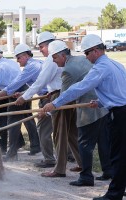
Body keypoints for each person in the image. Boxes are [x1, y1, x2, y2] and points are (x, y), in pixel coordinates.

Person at [42, 34, 126, 200]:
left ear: (96, 50)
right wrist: (101, 101)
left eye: (87, 53)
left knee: (118, 155)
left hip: (119, 114)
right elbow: (117, 91)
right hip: (119, 110)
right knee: (121, 154)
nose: (86, 57)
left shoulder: (101, 68)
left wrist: (55, 103)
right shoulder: (116, 65)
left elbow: (79, 88)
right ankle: (120, 187)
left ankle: (114, 194)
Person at [47, 40, 112, 186]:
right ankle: (108, 172)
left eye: (55, 57)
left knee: (84, 143)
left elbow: (65, 96)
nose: (53, 61)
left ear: (62, 55)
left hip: (90, 108)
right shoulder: (81, 59)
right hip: (102, 104)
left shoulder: (68, 70)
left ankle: (86, 177)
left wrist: (48, 110)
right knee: (103, 142)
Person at [0, 43, 42, 156]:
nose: (17, 60)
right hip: (22, 91)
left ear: (26, 55)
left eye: (19, 57)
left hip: (16, 91)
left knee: (13, 122)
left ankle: (12, 153)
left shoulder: (28, 66)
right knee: (28, 118)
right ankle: (36, 146)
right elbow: (34, 85)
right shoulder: (14, 63)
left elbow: (12, 86)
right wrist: (23, 93)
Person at [14, 32, 60, 168]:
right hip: (51, 96)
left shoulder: (50, 60)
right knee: (60, 128)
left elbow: (39, 83)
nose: (40, 50)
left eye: (41, 46)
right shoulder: (49, 60)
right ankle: (67, 155)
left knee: (44, 129)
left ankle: (49, 159)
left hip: (52, 98)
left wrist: (24, 97)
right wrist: (23, 93)